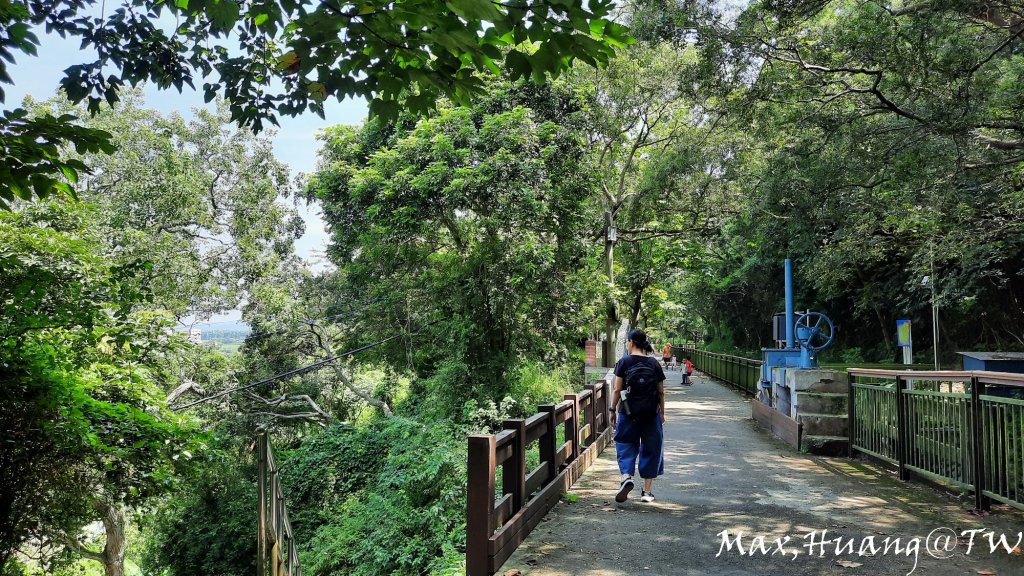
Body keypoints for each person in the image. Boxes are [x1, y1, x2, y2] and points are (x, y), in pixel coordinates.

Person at [609, 329, 666, 503]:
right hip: (651, 413)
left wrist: (612, 410)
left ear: (631, 342)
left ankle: (627, 477)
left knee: (625, 444)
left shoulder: (624, 362)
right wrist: (662, 413)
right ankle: (647, 493)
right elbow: (661, 392)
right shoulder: (654, 364)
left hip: (628, 412)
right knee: (652, 449)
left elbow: (617, 389)